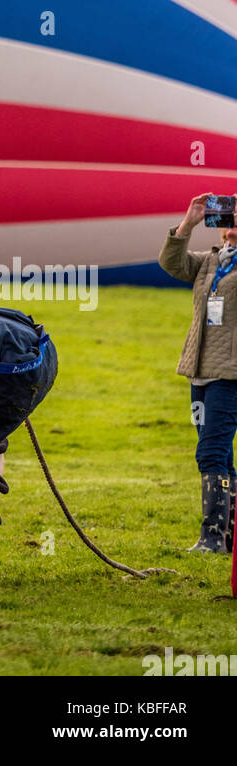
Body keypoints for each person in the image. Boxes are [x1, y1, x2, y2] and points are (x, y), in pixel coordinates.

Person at [159, 191, 237, 553]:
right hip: (200, 372)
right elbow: (172, 264)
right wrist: (188, 223)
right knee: (219, 456)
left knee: (210, 452)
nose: (231, 220)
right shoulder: (212, 260)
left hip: (231, 375)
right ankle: (229, 536)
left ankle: (213, 537)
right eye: (230, 213)